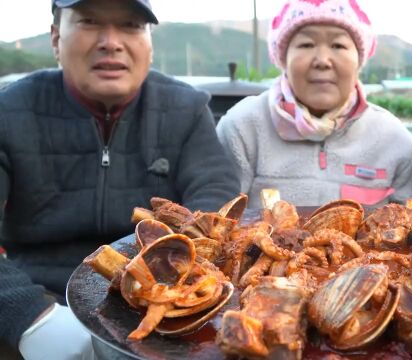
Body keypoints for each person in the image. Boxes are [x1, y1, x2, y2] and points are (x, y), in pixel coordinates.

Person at [0, 0, 239, 357]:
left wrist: (182, 286)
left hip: (161, 302)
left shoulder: (186, 110)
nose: (111, 41)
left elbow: (215, 195)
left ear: (149, 44)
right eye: (90, 22)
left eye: (131, 26)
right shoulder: (9, 112)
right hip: (38, 297)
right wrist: (30, 316)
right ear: (55, 39)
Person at [216, 0, 412, 209]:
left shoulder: (396, 141)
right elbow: (219, 221)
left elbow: (409, 228)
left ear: (359, 60)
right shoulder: (242, 128)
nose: (322, 60)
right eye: (306, 44)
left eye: (338, 45)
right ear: (283, 59)